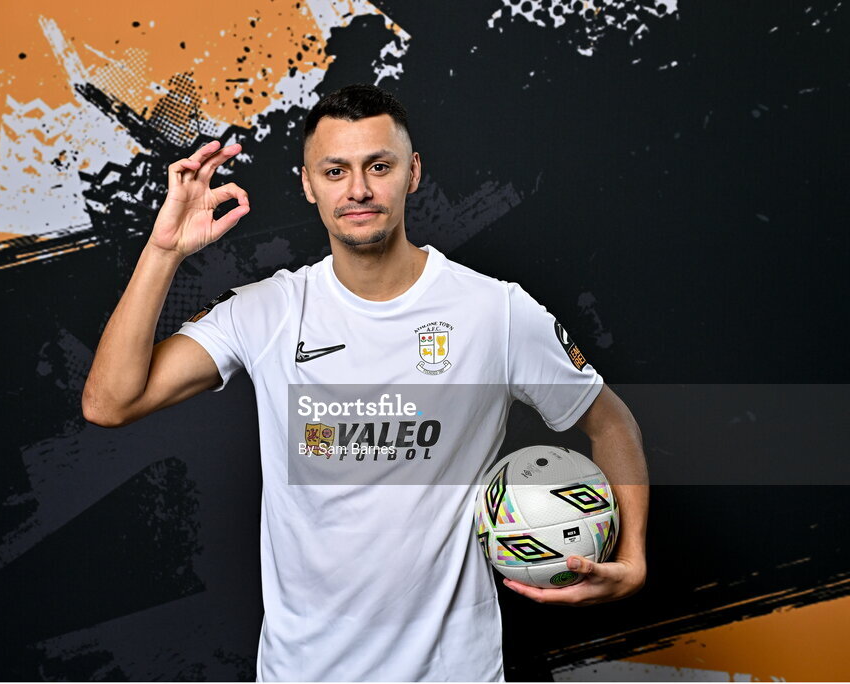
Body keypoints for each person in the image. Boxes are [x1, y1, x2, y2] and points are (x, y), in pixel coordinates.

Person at [82, 84, 648, 681]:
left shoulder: (495, 311)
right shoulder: (268, 311)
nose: (358, 189)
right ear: (308, 183)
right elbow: (109, 402)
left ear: (412, 172)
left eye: (379, 166)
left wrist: (633, 555)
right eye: (335, 171)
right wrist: (164, 251)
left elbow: (611, 423)